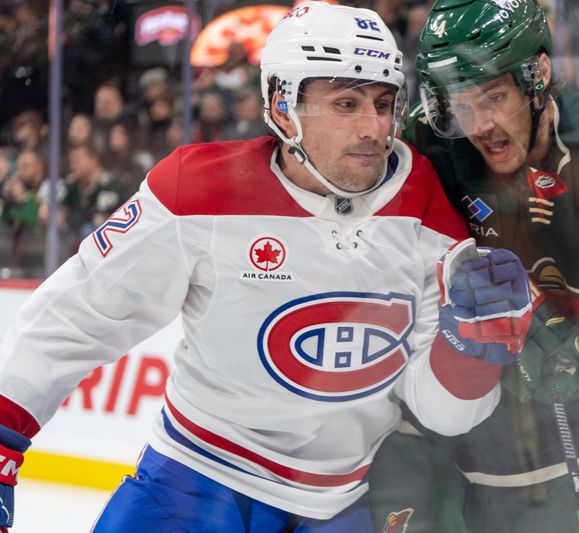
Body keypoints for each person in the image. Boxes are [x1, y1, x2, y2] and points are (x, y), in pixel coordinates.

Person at [0, 3, 532, 532]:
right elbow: (73, 319)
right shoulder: (197, 191)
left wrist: (471, 353)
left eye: (384, 102)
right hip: (197, 474)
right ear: (282, 108)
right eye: (346, 103)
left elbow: (444, 414)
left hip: (348, 501)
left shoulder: (428, 210)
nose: (374, 128)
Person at [368, 1, 579, 532]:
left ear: (539, 75)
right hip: (424, 451)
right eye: (460, 104)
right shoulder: (422, 145)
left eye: (493, 97)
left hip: (554, 463)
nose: (479, 124)